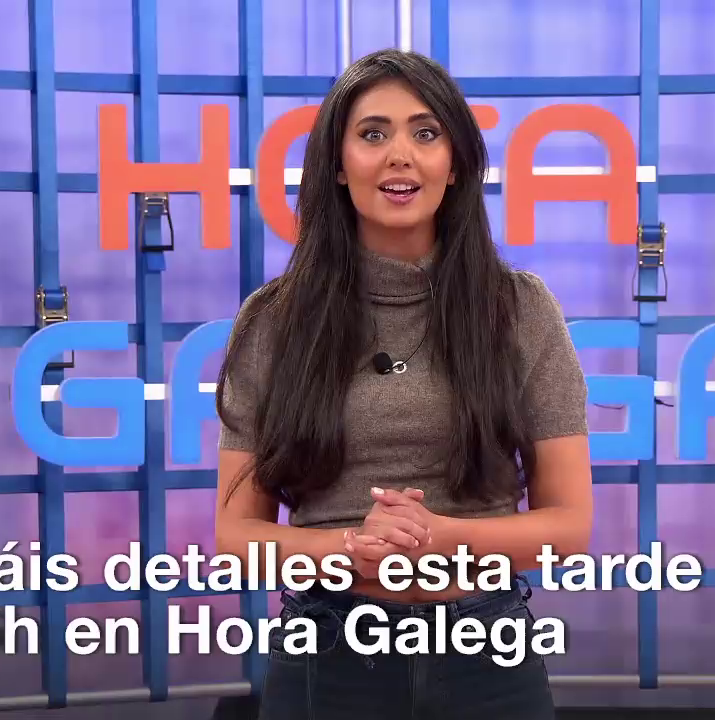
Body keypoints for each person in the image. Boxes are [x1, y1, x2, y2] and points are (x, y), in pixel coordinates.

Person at [213, 47, 593, 720]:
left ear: (456, 163)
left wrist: (439, 537)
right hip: (328, 653)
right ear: (337, 164)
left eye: (425, 133)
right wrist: (348, 551)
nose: (400, 156)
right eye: (372, 134)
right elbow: (238, 537)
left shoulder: (520, 309)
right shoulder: (276, 320)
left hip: (489, 658)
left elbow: (569, 525)